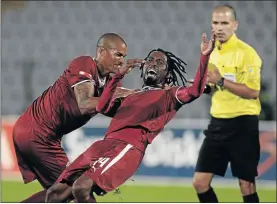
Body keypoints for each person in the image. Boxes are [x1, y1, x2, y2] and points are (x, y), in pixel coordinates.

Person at [45, 32, 215, 203]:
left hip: (127, 148)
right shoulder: (128, 95)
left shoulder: (170, 95)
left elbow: (195, 91)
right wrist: (118, 75)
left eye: (159, 62)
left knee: (81, 188)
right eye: (149, 60)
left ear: (168, 75)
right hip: (104, 145)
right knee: (54, 194)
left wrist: (204, 57)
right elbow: (101, 107)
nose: (153, 64)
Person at [12, 33, 133, 203]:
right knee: (76, 189)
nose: (122, 61)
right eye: (118, 54)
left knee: (60, 192)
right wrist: (121, 95)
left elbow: (116, 111)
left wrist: (152, 99)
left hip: (43, 135)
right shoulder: (84, 63)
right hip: (37, 132)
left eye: (124, 56)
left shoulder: (109, 83)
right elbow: (85, 103)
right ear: (102, 51)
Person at [192, 4, 262, 203]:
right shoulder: (211, 51)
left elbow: (253, 92)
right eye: (215, 22)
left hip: (243, 123)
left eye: (224, 23)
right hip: (217, 123)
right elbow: (212, 87)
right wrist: (203, 84)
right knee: (200, 182)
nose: (219, 27)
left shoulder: (247, 53)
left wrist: (221, 80)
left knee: (246, 186)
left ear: (235, 25)